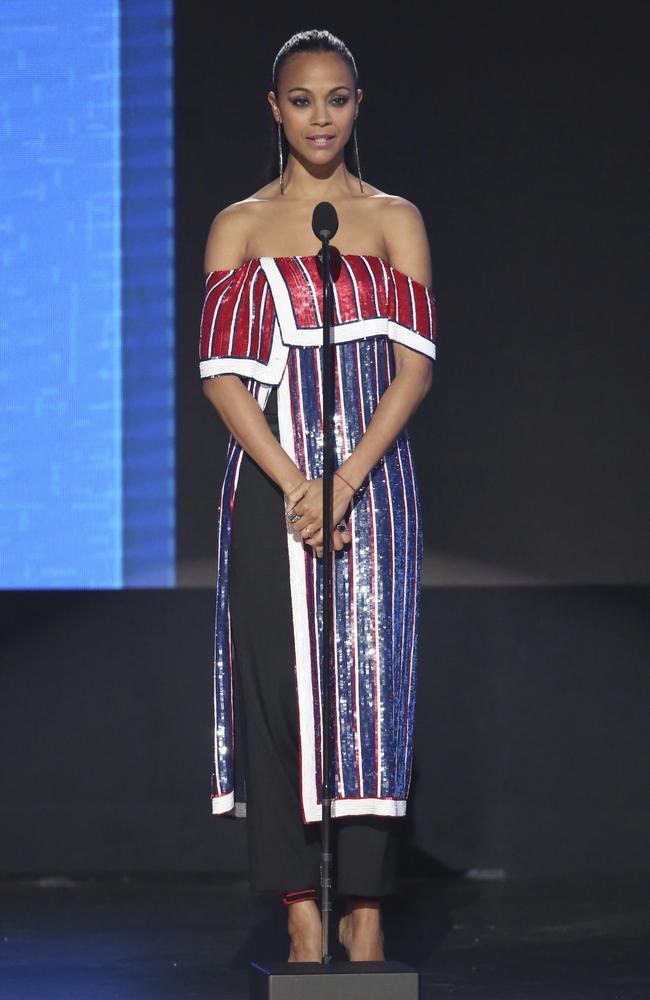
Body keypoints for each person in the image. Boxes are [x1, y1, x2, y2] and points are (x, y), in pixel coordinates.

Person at [198, 29, 436, 963]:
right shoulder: (240, 224)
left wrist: (343, 480)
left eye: (336, 98)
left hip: (372, 490)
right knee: (279, 696)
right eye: (302, 100)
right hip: (272, 489)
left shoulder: (392, 219)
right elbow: (222, 378)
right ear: (274, 109)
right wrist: (300, 484)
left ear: (358, 104)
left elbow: (413, 369)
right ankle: (301, 912)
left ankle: (365, 912)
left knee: (373, 692)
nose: (320, 117)